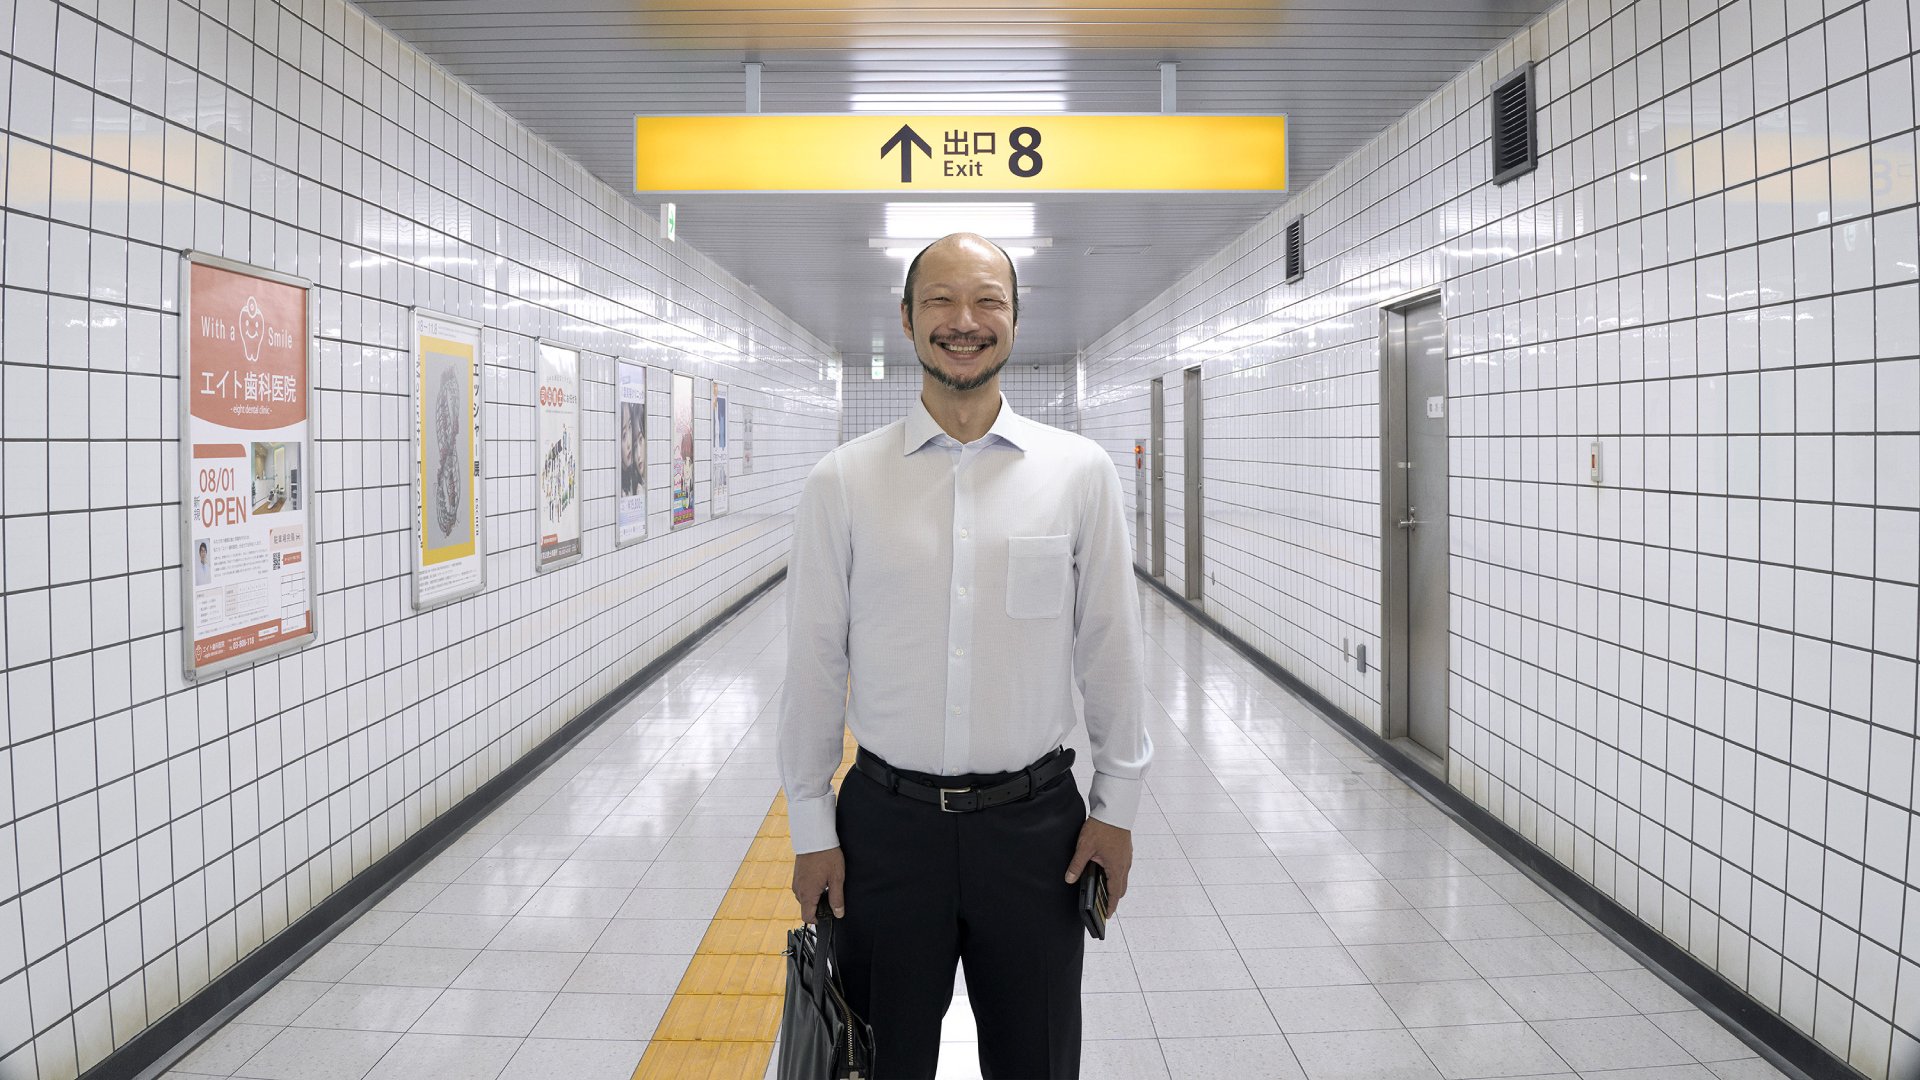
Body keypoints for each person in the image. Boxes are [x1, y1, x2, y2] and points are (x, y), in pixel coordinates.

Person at [779, 233, 1152, 1079]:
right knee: (877, 1062)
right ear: (907, 320)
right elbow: (811, 666)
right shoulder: (841, 482)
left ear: (1015, 320)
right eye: (941, 300)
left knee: (1038, 1061)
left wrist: (1116, 805)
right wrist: (811, 824)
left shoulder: (1079, 474)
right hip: (885, 830)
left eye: (988, 300)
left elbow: (1111, 650)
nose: (964, 321)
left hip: (1038, 833)